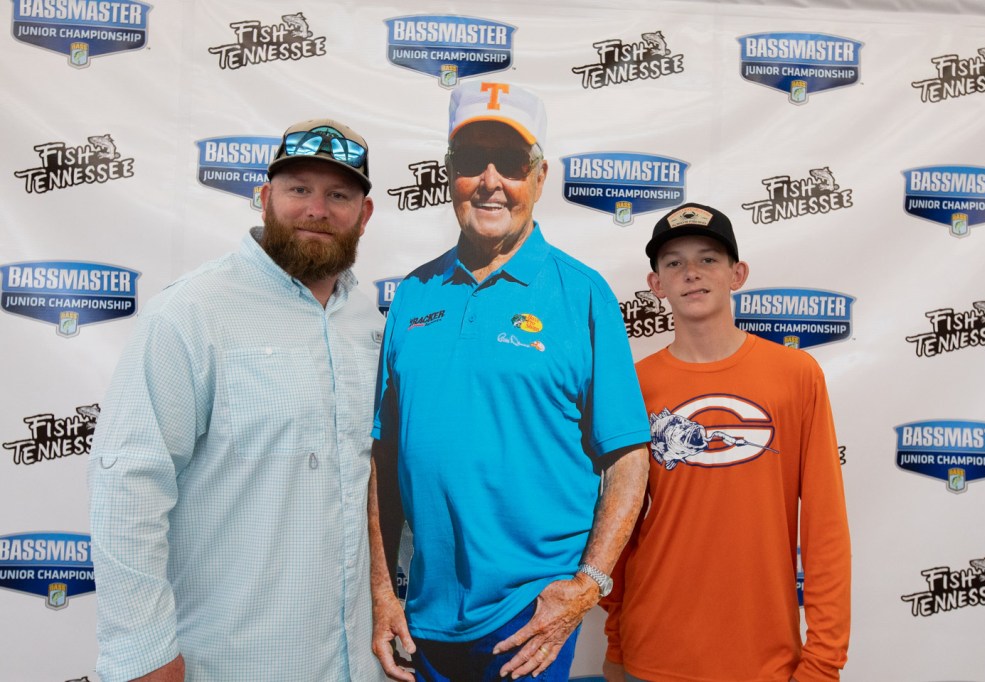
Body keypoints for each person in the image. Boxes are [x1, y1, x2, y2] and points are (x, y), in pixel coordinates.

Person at [368, 81, 651, 682]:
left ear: (540, 177)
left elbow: (628, 456)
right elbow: (383, 460)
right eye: (473, 161)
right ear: (450, 175)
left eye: (512, 163)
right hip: (424, 620)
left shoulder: (583, 293)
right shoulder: (413, 294)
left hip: (531, 621)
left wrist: (587, 585)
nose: (491, 181)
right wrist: (383, 594)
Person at [88, 119, 386, 681]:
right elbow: (128, 484)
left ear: (364, 214)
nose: (316, 210)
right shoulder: (192, 311)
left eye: (338, 195)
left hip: (357, 661)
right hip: (229, 661)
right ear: (265, 197)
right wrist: (143, 653)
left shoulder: (371, 325)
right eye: (299, 189)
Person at [601, 202, 851, 682]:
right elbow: (621, 527)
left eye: (708, 259)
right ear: (656, 284)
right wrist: (616, 639)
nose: (691, 273)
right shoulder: (635, 387)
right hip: (652, 651)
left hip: (763, 658)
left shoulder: (795, 375)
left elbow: (825, 528)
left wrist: (824, 661)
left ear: (738, 274)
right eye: (674, 262)